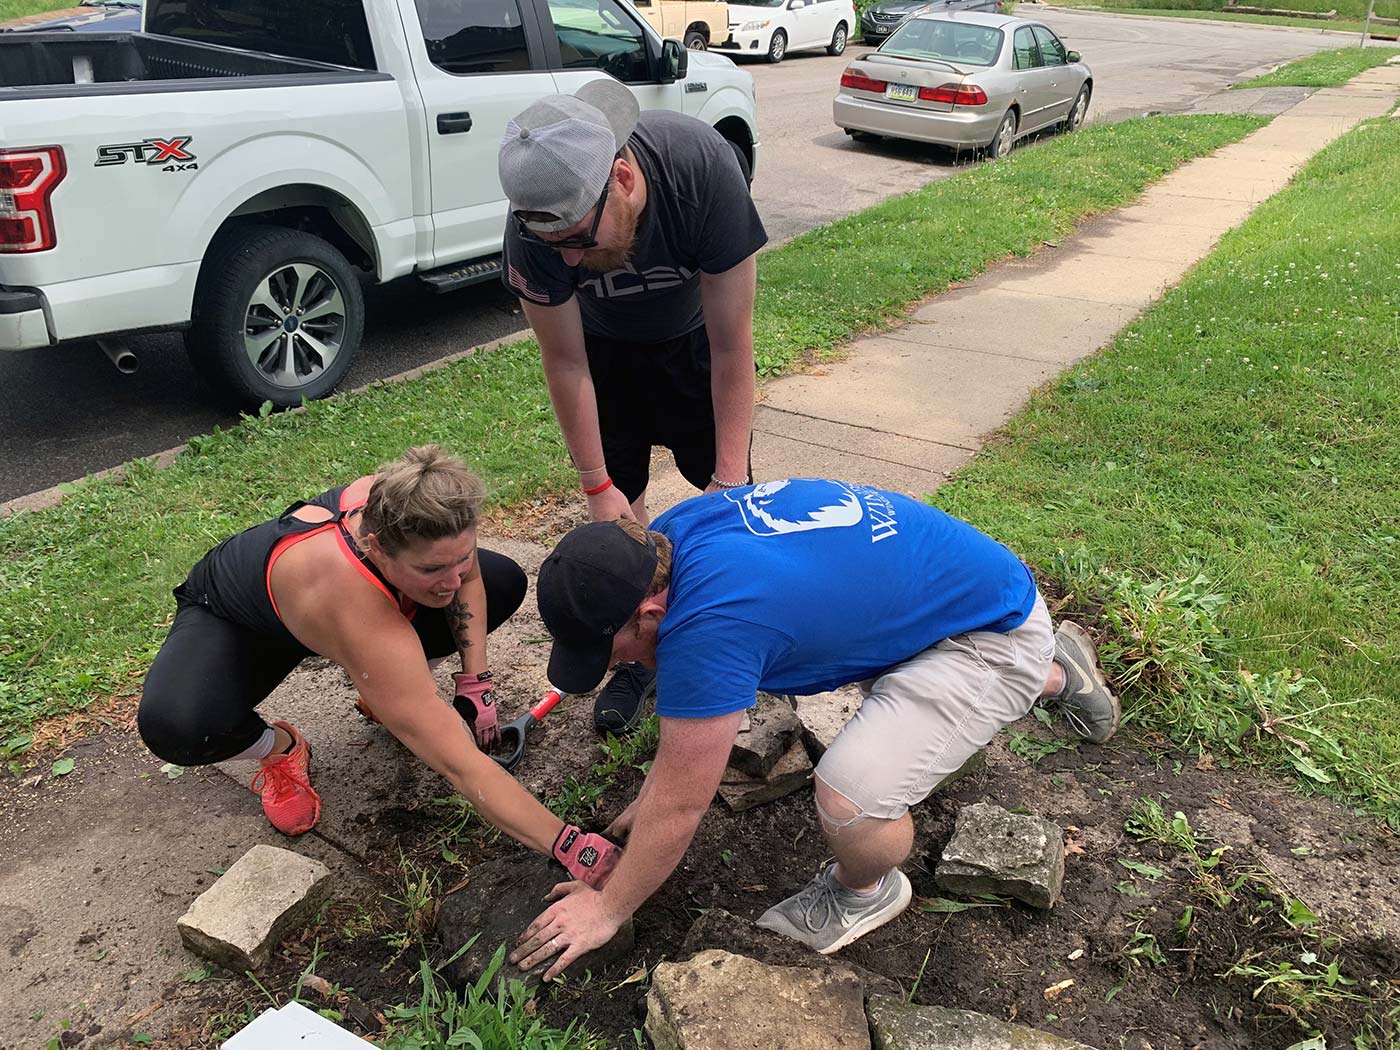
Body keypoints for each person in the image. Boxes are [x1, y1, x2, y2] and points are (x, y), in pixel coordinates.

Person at [509, 479, 1120, 978]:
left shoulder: (712, 624)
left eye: (615, 653)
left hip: (986, 633)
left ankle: (867, 891)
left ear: (649, 610)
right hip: (955, 588)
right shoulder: (672, 537)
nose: (621, 666)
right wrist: (649, 796)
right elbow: (696, 725)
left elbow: (682, 804)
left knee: (852, 795)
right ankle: (1052, 674)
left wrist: (609, 909)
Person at [137, 446, 618, 887]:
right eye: (431, 570)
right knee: (178, 726)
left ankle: (386, 687)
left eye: (460, 558)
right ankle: (282, 748)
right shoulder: (355, 604)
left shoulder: (409, 503)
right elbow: (459, 763)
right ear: (375, 547)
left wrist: (476, 682)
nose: (452, 579)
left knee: (501, 580)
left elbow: (467, 576)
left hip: (354, 606)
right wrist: (568, 844)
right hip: (243, 622)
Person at [497, 77, 767, 738]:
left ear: (621, 177)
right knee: (623, 514)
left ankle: (735, 640)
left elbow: (734, 345)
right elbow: (565, 363)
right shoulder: (537, 223)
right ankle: (637, 661)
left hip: (696, 347)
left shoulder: (700, 167)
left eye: (580, 242)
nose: (568, 258)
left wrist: (729, 479)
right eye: (553, 244)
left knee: (735, 515)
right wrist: (597, 486)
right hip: (606, 355)